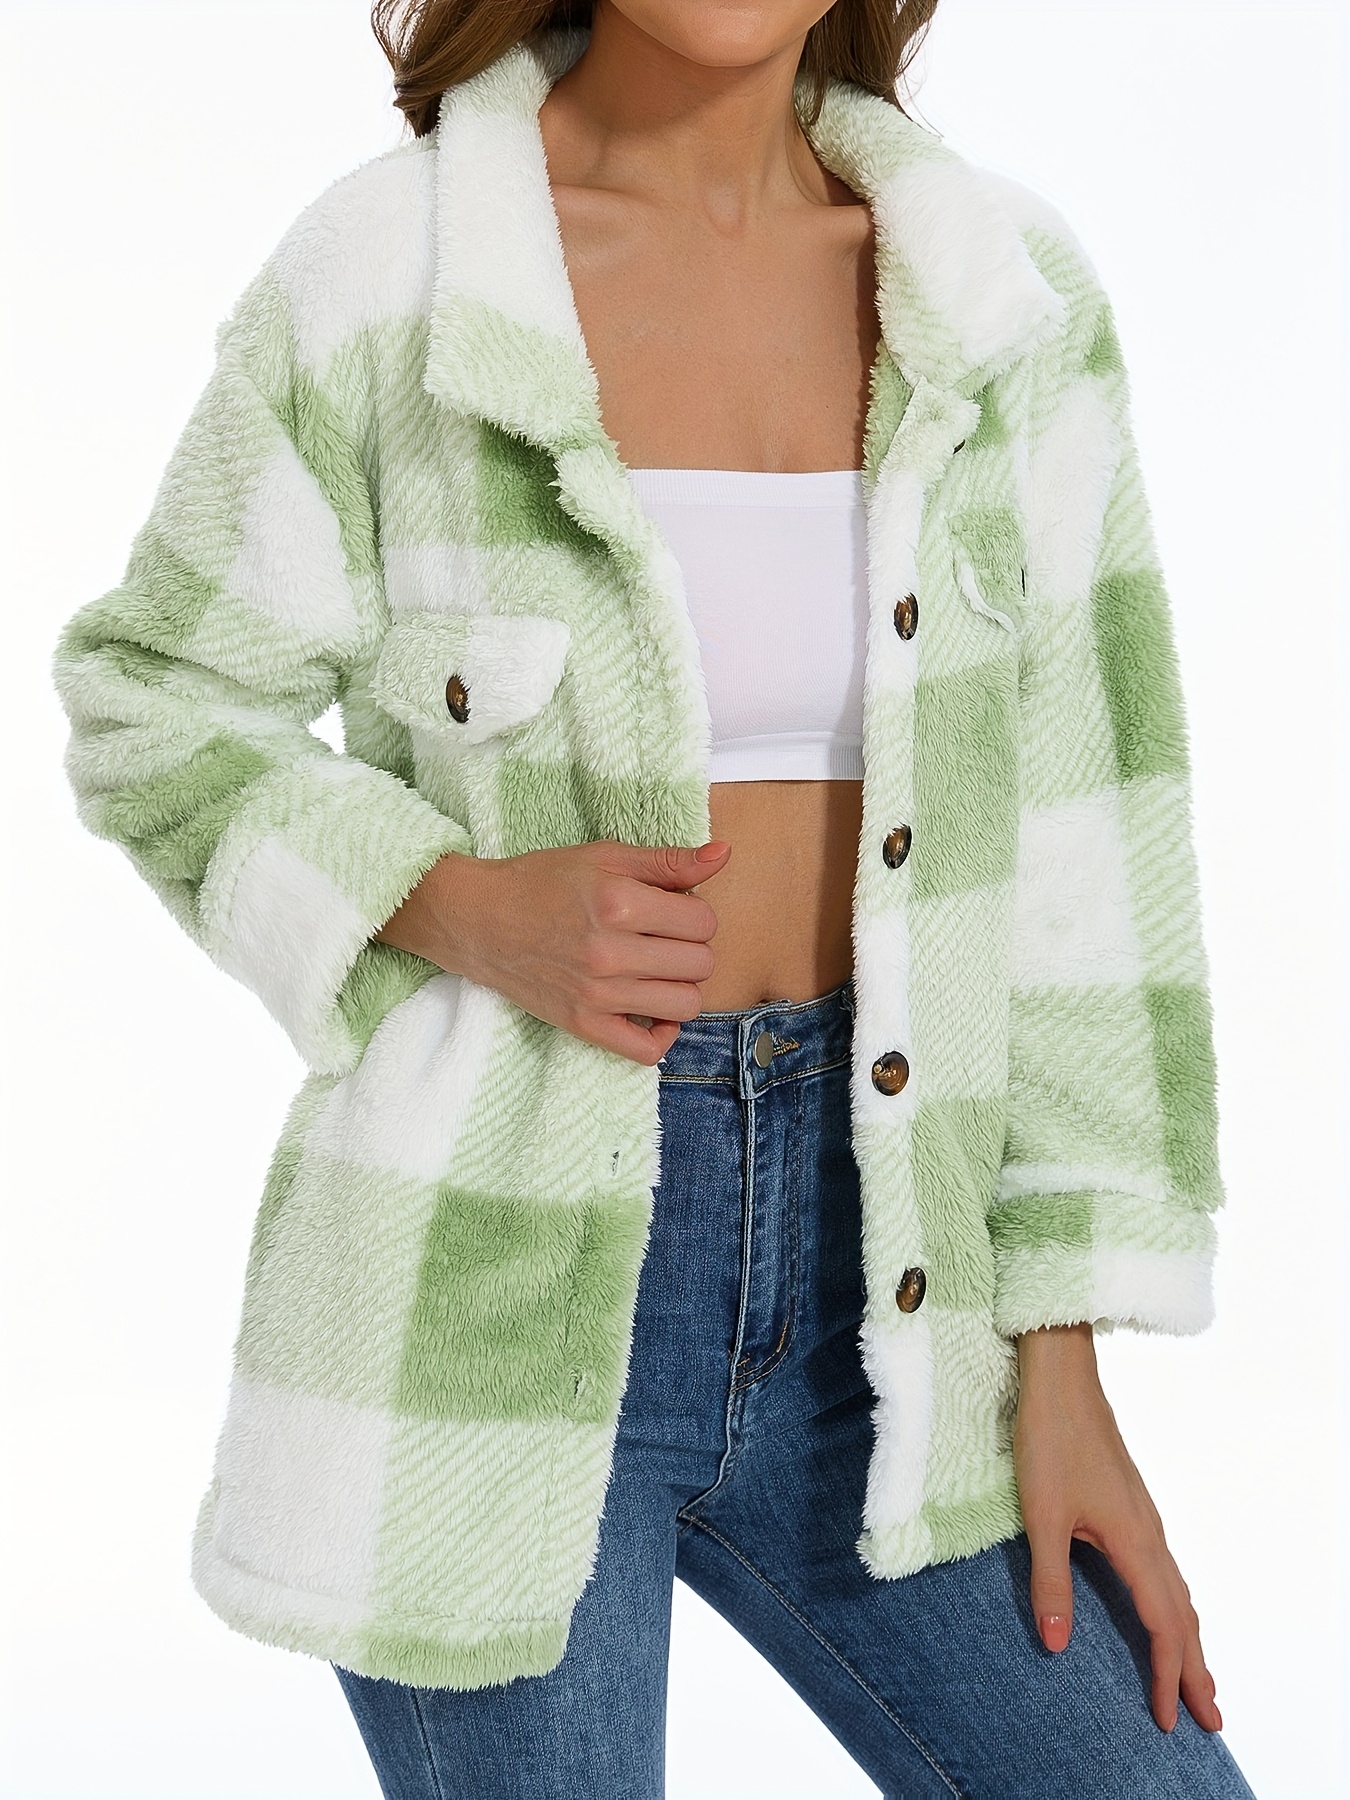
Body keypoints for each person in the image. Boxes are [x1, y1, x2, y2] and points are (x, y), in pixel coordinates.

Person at [52, 2, 1256, 1794]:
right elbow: (156, 699)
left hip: (895, 1297)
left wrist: (1058, 1364)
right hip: (489, 1278)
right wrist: (451, 898)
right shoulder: (390, 273)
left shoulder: (999, 294)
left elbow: (1092, 840)